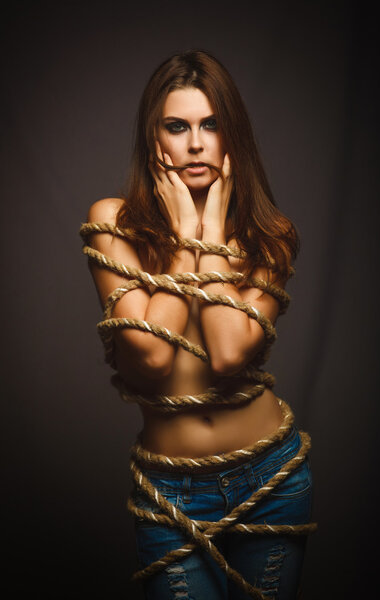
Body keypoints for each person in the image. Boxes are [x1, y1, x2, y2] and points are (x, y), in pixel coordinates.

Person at [80, 50, 314, 600]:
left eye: (211, 124)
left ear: (233, 134)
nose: (195, 143)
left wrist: (207, 231)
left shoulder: (269, 236)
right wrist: (188, 234)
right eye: (177, 126)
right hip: (170, 493)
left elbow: (230, 353)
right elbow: (152, 357)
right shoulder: (112, 222)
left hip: (271, 481)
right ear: (153, 138)